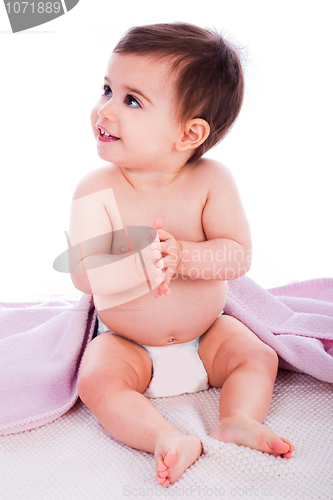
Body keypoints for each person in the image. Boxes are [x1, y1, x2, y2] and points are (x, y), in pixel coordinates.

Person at [68, 22, 295, 488]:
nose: (104, 110)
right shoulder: (97, 188)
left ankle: (239, 419)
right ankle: (164, 437)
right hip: (127, 341)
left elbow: (237, 256)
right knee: (97, 381)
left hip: (206, 333)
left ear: (189, 133)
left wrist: (184, 256)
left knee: (257, 356)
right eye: (107, 89)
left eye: (131, 100)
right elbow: (82, 275)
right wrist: (136, 267)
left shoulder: (212, 181)